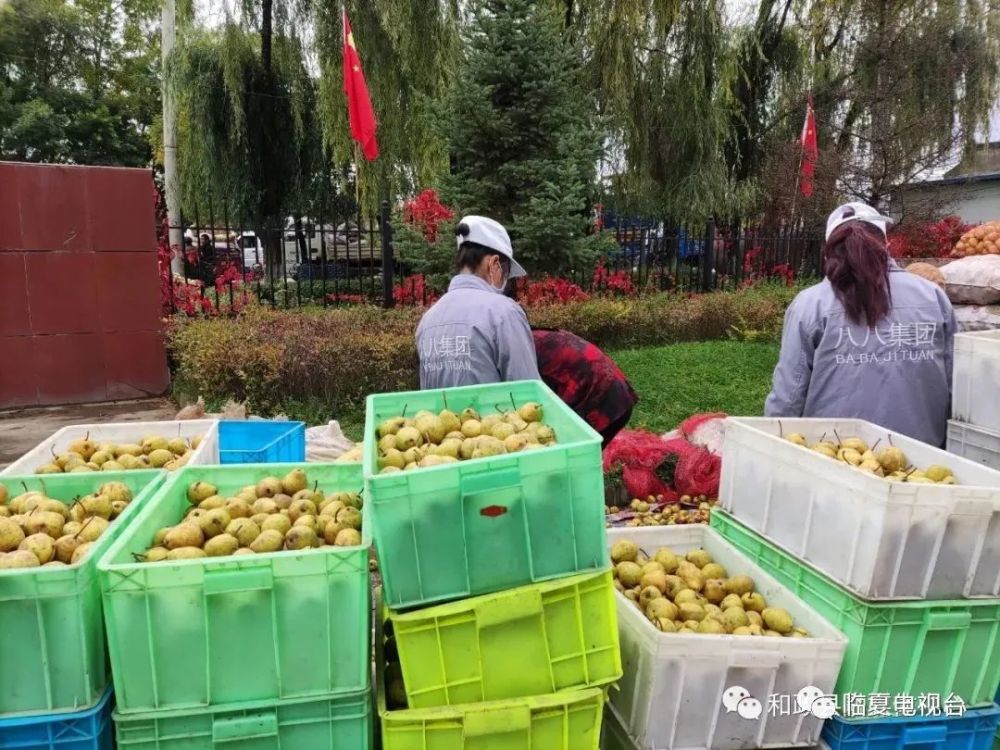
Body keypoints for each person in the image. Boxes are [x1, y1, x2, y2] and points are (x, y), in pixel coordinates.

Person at [765, 202, 956, 446]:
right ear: (885, 245)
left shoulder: (811, 305)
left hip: (835, 460)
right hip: (922, 467)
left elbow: (788, 398)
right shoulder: (933, 297)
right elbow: (955, 388)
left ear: (828, 251)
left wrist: (772, 448)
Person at [416, 216, 540, 388]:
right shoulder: (504, 313)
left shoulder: (427, 320)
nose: (505, 281)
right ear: (495, 264)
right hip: (493, 415)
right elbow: (528, 393)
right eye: (506, 273)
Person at [532, 327, 638, 446]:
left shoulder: (529, 346)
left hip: (604, 405)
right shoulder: (539, 335)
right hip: (620, 395)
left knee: (569, 457)